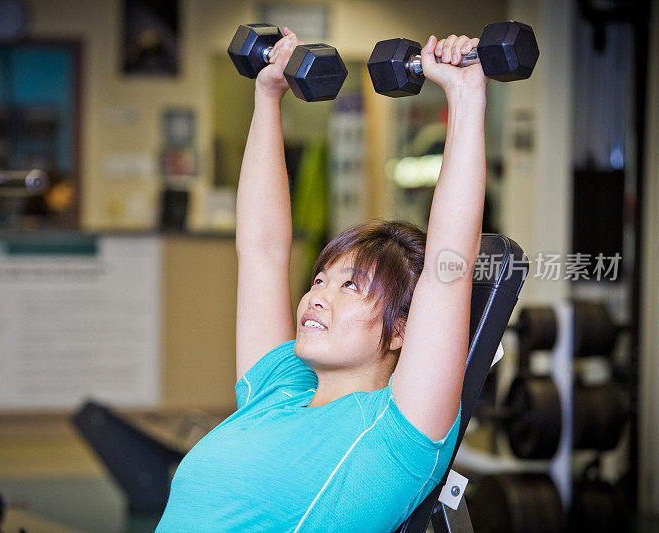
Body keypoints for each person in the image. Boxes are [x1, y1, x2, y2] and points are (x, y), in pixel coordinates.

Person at [157, 28, 488, 532]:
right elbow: (263, 252)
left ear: (402, 330)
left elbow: (450, 268)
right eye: (319, 281)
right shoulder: (279, 387)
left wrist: (466, 98)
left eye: (351, 285)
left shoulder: (396, 432)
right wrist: (267, 97)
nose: (317, 296)